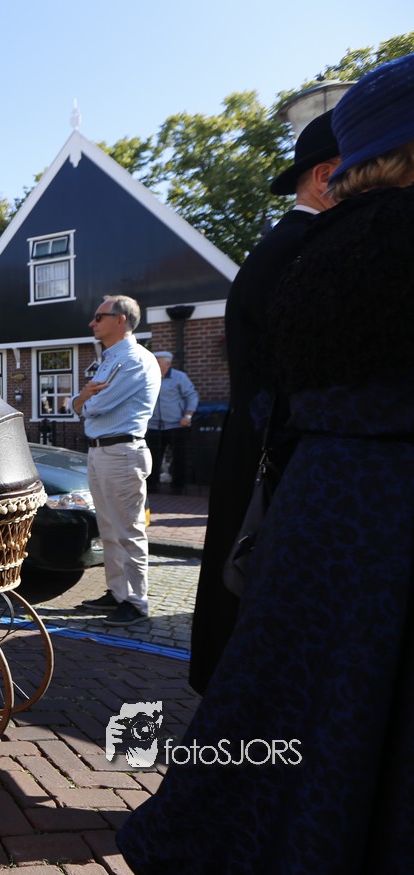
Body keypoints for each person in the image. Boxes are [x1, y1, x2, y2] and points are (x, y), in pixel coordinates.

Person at [119, 54, 414, 873]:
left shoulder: (301, 254)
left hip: (312, 491)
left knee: (287, 696)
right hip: (347, 494)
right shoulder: (323, 250)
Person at [187, 110, 341, 695]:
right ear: (325, 177)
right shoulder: (309, 250)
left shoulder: (284, 246)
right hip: (277, 458)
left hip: (258, 447)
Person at [71, 295, 160, 628]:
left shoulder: (135, 359)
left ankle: (136, 602)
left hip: (121, 452)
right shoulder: (110, 360)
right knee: (109, 529)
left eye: (99, 317)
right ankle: (118, 591)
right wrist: (84, 398)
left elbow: (94, 406)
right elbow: (79, 404)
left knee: (127, 529)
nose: (92, 323)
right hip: (102, 451)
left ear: (120, 319)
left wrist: (85, 398)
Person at [143, 351, 198, 494]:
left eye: (158, 361)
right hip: (153, 425)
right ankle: (151, 486)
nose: (154, 364)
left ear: (168, 363)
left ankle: (178, 487)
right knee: (151, 458)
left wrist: (188, 416)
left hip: (176, 425)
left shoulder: (180, 377)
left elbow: (192, 396)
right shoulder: (147, 377)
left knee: (179, 457)